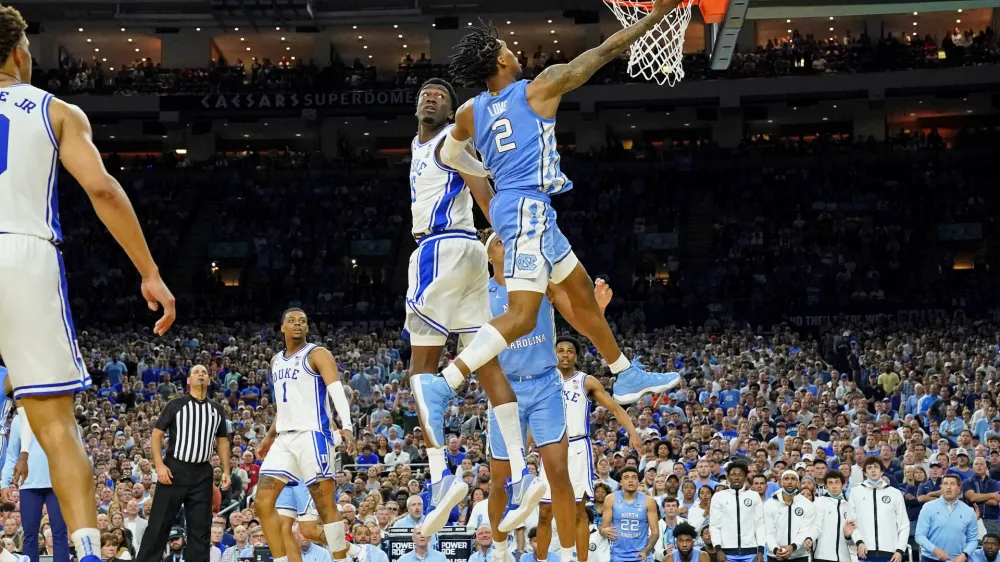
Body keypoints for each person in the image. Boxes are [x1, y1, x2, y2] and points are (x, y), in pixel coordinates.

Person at [413, 0, 683, 446]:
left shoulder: (470, 112)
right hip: (525, 210)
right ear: (500, 59)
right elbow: (606, 50)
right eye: (508, 47)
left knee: (579, 292)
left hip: (529, 209)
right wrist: (659, 14)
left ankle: (625, 372)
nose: (515, 52)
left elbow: (448, 155)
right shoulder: (540, 87)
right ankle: (445, 382)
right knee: (521, 317)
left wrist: (485, 172)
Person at [0, 6, 176, 562]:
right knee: (55, 426)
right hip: (21, 250)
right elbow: (101, 191)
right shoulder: (53, 110)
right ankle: (88, 552)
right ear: (18, 53)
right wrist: (149, 272)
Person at [404, 77, 536, 536]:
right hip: (469, 260)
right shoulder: (419, 148)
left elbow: (484, 193)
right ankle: (520, 474)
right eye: (425, 92)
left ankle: (441, 476)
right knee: (488, 367)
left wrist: (507, 234)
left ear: (451, 110)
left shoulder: (450, 143)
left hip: (439, 251)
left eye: (440, 95)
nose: (431, 97)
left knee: (421, 371)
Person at [478, 228, 607, 560]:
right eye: (499, 242)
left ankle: (565, 555)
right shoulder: (480, 294)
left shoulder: (539, 282)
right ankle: (500, 547)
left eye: (511, 240)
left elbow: (577, 316)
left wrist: (598, 310)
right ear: (489, 255)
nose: (507, 246)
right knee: (500, 480)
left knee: (558, 474)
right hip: (506, 388)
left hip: (545, 384)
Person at [255, 308, 354, 562]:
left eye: (302, 321)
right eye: (291, 321)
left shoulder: (317, 353)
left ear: (307, 328)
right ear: (282, 328)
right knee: (262, 503)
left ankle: (341, 559)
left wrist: (348, 426)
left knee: (326, 507)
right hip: (285, 439)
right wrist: (268, 437)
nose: (297, 324)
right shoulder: (276, 360)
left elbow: (336, 390)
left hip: (313, 436)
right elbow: (284, 406)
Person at [537, 334, 645, 562]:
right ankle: (542, 560)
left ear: (575, 356)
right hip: (550, 447)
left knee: (577, 509)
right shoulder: (543, 381)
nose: (565, 354)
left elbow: (615, 408)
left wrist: (633, 433)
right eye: (560, 350)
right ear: (553, 354)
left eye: (569, 351)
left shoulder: (586, 381)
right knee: (545, 512)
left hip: (577, 446)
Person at [135, 365, 229, 562]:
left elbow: (222, 440)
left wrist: (226, 470)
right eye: (196, 372)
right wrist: (159, 466)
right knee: (159, 524)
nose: (201, 375)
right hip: (174, 469)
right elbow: (156, 435)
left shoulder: (217, 409)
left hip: (202, 472)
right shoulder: (176, 404)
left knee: (200, 529)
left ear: (209, 380)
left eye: (204, 372)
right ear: (188, 381)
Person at [1, 387, 67, 562]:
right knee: (29, 535)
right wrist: (4, 484)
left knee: (59, 532)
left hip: (56, 483)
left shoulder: (59, 415)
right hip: (29, 484)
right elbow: (12, 455)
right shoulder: (17, 421)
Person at [848, 458, 909, 562]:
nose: (873, 470)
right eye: (869, 468)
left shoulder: (895, 493)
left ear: (882, 471)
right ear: (865, 473)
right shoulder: (855, 492)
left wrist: (900, 550)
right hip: (865, 552)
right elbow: (851, 522)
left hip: (890, 553)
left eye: (876, 467)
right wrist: (859, 542)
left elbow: (904, 525)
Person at [708, 461, 764, 562]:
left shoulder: (754, 496)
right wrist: (718, 549)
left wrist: (760, 550)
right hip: (726, 552)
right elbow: (714, 525)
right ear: (727, 476)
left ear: (746, 477)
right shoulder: (718, 496)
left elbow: (759, 524)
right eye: (733, 474)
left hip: (751, 551)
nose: (737, 477)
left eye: (740, 475)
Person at [915, 474, 977, 562]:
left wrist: (965, 554)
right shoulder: (928, 507)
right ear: (941, 488)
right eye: (945, 484)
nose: (948, 487)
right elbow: (919, 536)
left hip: (958, 559)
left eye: (952, 484)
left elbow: (973, 540)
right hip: (930, 558)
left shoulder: (969, 511)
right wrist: (935, 550)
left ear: (959, 489)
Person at [603, 467, 659, 562]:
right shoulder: (610, 499)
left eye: (634, 477)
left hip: (642, 555)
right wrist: (603, 531)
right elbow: (604, 528)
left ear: (638, 481)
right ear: (621, 482)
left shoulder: (649, 501)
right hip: (617, 555)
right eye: (626, 477)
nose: (630, 480)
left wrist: (646, 551)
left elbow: (655, 533)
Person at [762, 471, 815, 562]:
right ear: (781, 482)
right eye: (786, 479)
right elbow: (768, 532)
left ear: (798, 483)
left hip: (799, 556)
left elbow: (805, 531)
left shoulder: (807, 505)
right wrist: (775, 550)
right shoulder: (769, 504)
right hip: (775, 556)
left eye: (793, 479)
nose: (789, 482)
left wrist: (792, 547)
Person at [812, 470, 855, 562]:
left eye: (837, 482)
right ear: (826, 486)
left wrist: (848, 536)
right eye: (830, 483)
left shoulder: (848, 506)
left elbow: (851, 542)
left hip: (844, 558)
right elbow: (814, 529)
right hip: (822, 557)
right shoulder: (818, 503)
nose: (834, 486)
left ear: (843, 485)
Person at [963, 457, 1000, 537]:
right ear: (973, 467)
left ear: (986, 467)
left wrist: (976, 497)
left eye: (981, 464)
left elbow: (994, 502)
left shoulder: (993, 483)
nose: (979, 466)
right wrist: (991, 495)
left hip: (992, 521)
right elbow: (972, 497)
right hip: (973, 520)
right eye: (976, 464)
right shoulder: (967, 482)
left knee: (995, 547)